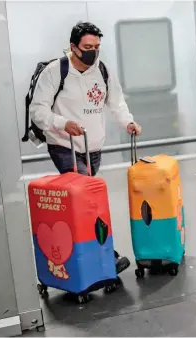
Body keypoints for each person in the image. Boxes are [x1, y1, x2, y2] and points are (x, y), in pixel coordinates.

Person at [30, 21, 142, 274]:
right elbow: (38, 111)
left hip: (93, 148)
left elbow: (116, 102)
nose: (93, 51)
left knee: (84, 203)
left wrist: (129, 122)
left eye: (97, 47)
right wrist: (62, 123)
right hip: (64, 145)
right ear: (73, 47)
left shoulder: (101, 70)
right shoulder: (55, 71)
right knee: (88, 201)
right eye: (87, 47)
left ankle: (86, 253)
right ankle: (106, 257)